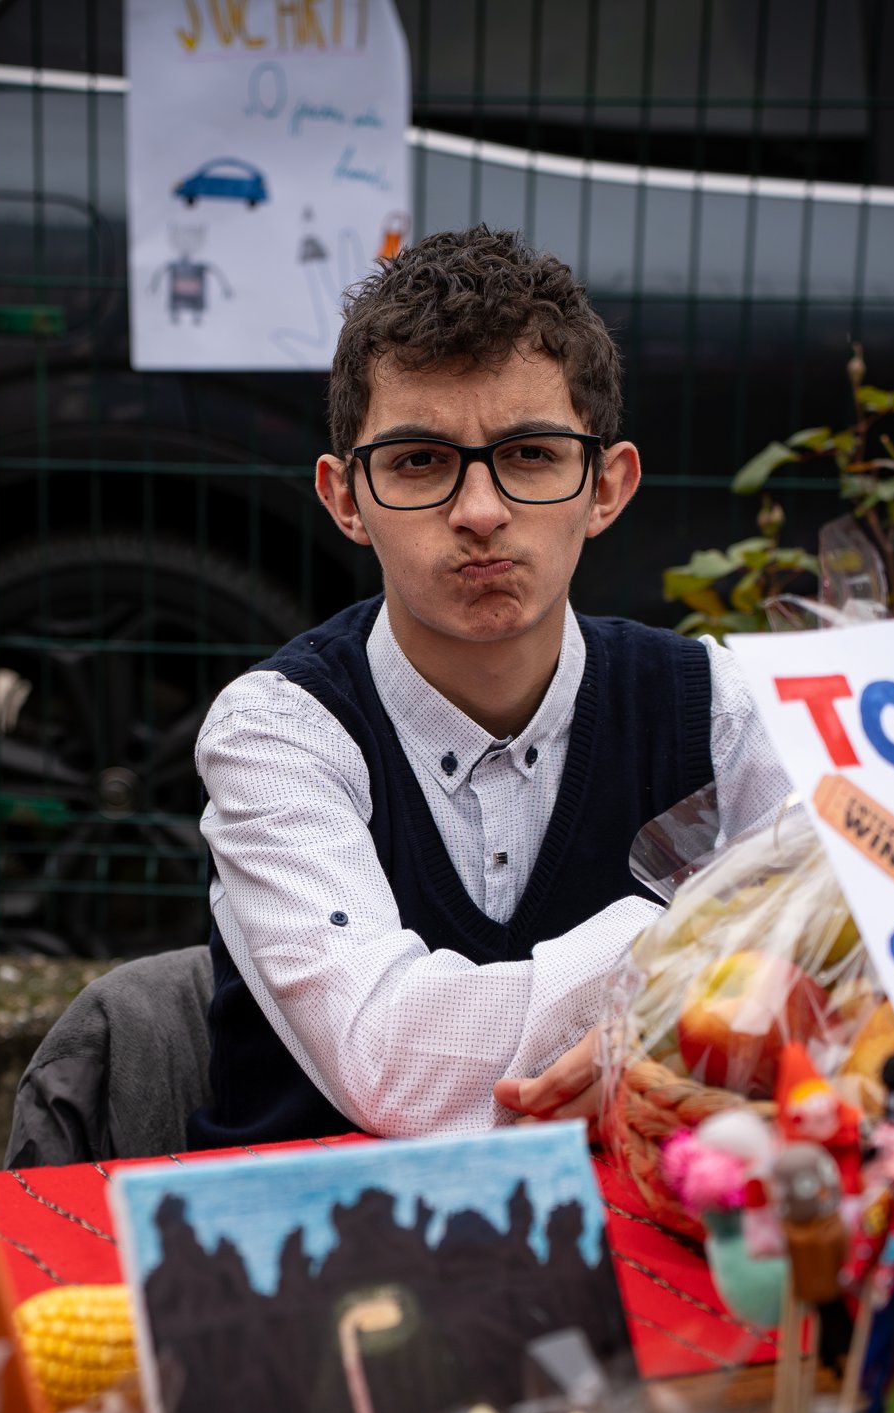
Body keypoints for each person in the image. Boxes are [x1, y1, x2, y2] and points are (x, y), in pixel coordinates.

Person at [189, 226, 794, 1148]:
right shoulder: (275, 733)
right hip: (307, 1258)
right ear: (345, 497)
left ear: (607, 485)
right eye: (420, 461)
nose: (479, 512)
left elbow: (861, 960)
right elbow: (393, 1064)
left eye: (531, 454)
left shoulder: (715, 706)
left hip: (638, 1250)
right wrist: (694, 938)